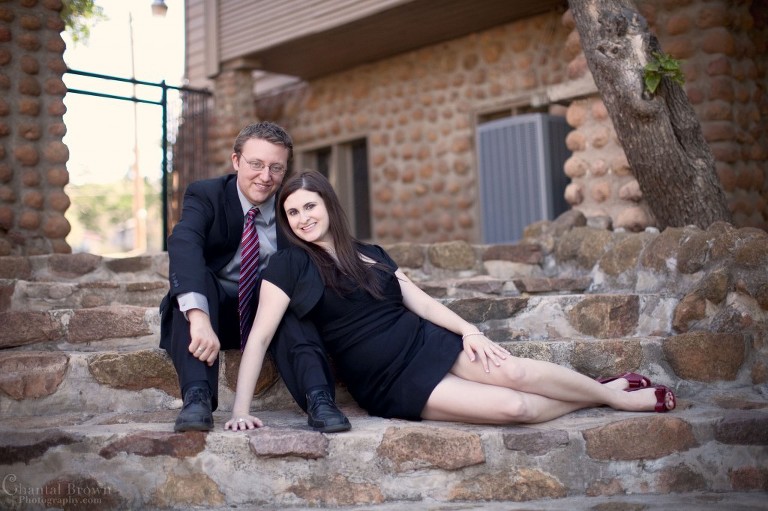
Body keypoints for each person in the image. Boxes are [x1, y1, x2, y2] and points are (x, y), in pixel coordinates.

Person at [225, 170, 675, 431]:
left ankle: (616, 398)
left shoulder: (371, 253)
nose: (303, 218)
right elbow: (261, 337)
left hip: (427, 340)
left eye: (310, 206)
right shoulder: (288, 266)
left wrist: (469, 330)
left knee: (514, 371)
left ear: (328, 205)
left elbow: (419, 301)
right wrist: (242, 411)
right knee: (514, 407)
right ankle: (605, 393)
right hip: (387, 379)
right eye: (293, 212)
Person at [160, 123, 350, 433]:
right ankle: (197, 396)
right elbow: (185, 244)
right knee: (199, 285)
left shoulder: (291, 208)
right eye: (256, 164)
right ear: (236, 161)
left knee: (291, 302)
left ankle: (319, 398)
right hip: (216, 310)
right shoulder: (206, 194)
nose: (265, 176)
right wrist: (199, 317)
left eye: (276, 168)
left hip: (268, 313)